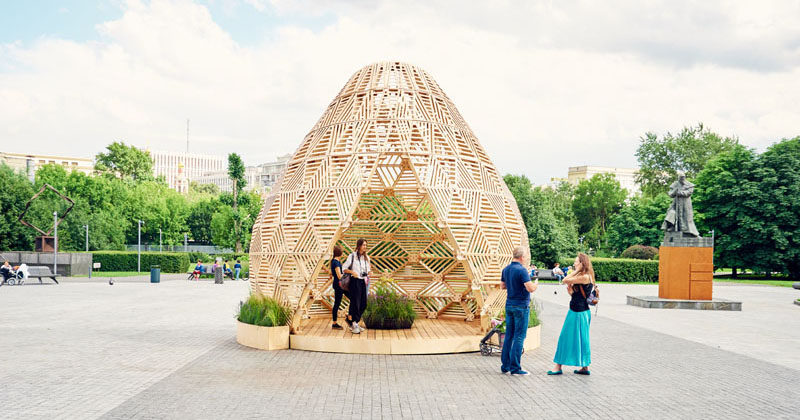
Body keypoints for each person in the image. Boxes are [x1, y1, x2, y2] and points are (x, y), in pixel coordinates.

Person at [548, 253, 595, 376]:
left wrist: (576, 271)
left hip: (578, 313)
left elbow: (564, 280)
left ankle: (558, 367)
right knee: (582, 339)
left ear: (582, 264)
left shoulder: (585, 276)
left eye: (576, 262)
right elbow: (578, 296)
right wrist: (572, 293)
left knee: (565, 338)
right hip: (580, 311)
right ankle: (584, 367)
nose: (574, 264)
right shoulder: (585, 276)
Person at [500, 246, 539, 376]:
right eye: (525, 257)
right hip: (521, 306)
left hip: (509, 304)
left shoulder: (506, 269)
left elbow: (502, 286)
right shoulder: (522, 270)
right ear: (522, 257)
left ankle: (505, 366)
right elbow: (530, 288)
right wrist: (536, 284)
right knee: (519, 336)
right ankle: (515, 368)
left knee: (509, 336)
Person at [342, 238, 372, 334]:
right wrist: (352, 272)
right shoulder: (352, 256)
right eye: (363, 245)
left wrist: (370, 272)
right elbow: (344, 268)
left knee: (363, 303)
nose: (365, 247)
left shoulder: (367, 257)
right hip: (354, 282)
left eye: (366, 245)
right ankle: (354, 323)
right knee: (356, 303)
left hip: (363, 281)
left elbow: (367, 270)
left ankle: (355, 322)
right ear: (359, 246)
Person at [330, 246, 349, 329]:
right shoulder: (336, 263)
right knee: (337, 303)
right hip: (339, 285)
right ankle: (334, 323)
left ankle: (349, 316)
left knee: (353, 298)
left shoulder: (335, 261)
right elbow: (339, 276)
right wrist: (347, 275)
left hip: (340, 285)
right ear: (340, 253)